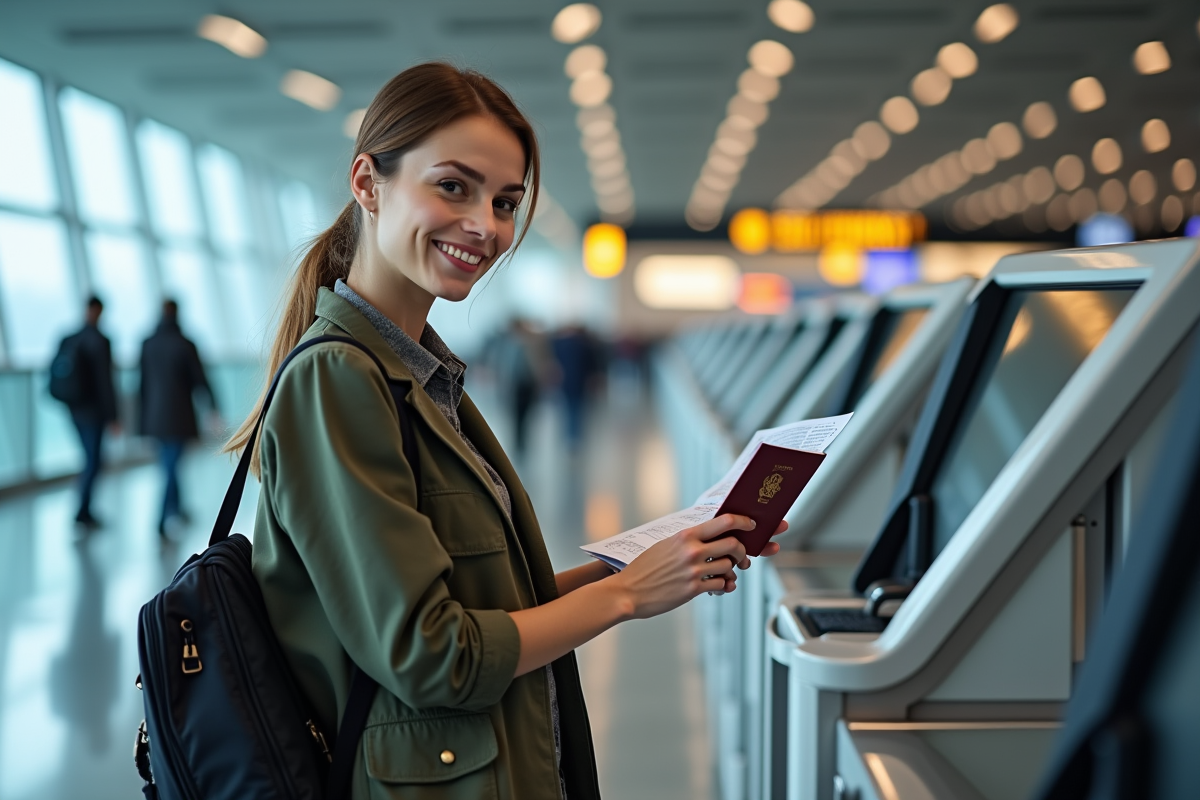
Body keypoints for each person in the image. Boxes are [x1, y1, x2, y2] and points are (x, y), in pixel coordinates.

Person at [226, 62, 786, 800]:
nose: (485, 226)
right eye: (452, 187)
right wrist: (623, 600)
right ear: (368, 182)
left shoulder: (422, 376)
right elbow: (434, 656)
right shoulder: (340, 380)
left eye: (505, 201)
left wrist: (644, 564)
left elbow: (479, 606)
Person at [138, 300, 218, 536]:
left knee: (169, 463)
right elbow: (200, 379)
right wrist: (212, 407)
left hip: (154, 417)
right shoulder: (185, 344)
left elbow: (141, 385)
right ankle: (162, 519)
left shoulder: (147, 344)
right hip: (178, 416)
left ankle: (178, 509)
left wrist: (141, 421)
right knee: (171, 466)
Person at [56, 296, 118, 528]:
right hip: (94, 412)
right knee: (93, 460)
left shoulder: (69, 338)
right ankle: (82, 509)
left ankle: (83, 506)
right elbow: (105, 381)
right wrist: (113, 415)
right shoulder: (100, 341)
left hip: (74, 409)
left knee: (89, 459)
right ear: (99, 312)